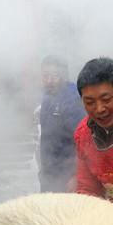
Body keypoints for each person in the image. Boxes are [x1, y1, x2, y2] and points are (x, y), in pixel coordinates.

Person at [72, 57, 113, 205]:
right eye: (89, 103)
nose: (100, 109)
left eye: (106, 99)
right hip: (108, 213)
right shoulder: (83, 134)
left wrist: (112, 213)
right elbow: (86, 186)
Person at [36, 54, 82, 193]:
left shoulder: (72, 99)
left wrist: (76, 176)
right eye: (45, 75)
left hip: (66, 175)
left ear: (65, 76)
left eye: (54, 75)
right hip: (50, 173)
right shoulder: (48, 95)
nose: (49, 80)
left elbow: (83, 141)